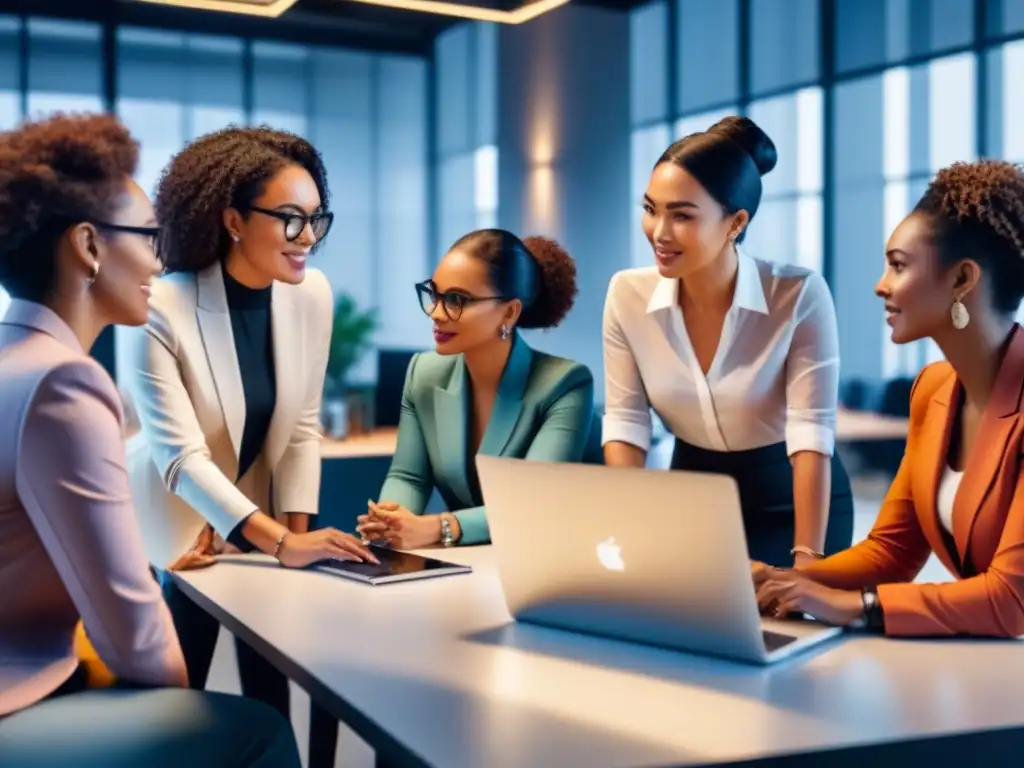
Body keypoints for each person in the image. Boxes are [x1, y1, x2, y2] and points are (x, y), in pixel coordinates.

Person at [0, 113, 300, 766]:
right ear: (88, 246)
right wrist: (181, 720)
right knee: (259, 730)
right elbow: (130, 633)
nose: (159, 260)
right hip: (18, 697)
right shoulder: (64, 382)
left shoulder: (10, 359)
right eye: (147, 237)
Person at [119, 126, 375, 754]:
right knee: (176, 704)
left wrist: (295, 544)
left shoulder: (309, 294)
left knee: (273, 689)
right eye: (290, 219)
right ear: (233, 219)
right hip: (172, 527)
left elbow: (301, 430)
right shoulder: (159, 305)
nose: (308, 238)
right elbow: (179, 459)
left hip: (257, 527)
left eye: (317, 219)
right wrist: (283, 542)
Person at [754, 160, 1024, 638]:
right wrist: (783, 579)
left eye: (898, 266)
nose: (881, 285)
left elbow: (1011, 600)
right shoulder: (934, 390)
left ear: (962, 280)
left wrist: (856, 606)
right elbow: (892, 552)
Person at [602, 116, 853, 569]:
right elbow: (625, 423)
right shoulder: (626, 295)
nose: (659, 232)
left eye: (681, 215)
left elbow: (811, 434)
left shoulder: (797, 295)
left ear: (736, 222)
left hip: (795, 503)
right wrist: (626, 530)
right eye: (651, 209)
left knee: (786, 627)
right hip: (695, 497)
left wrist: (808, 561)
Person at [356, 229, 601, 549]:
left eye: (456, 300)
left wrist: (437, 527)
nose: (436, 312)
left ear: (510, 312)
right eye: (435, 294)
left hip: (564, 558)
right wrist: (389, 522)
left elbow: (532, 504)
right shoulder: (423, 373)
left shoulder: (566, 385)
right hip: (477, 562)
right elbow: (408, 478)